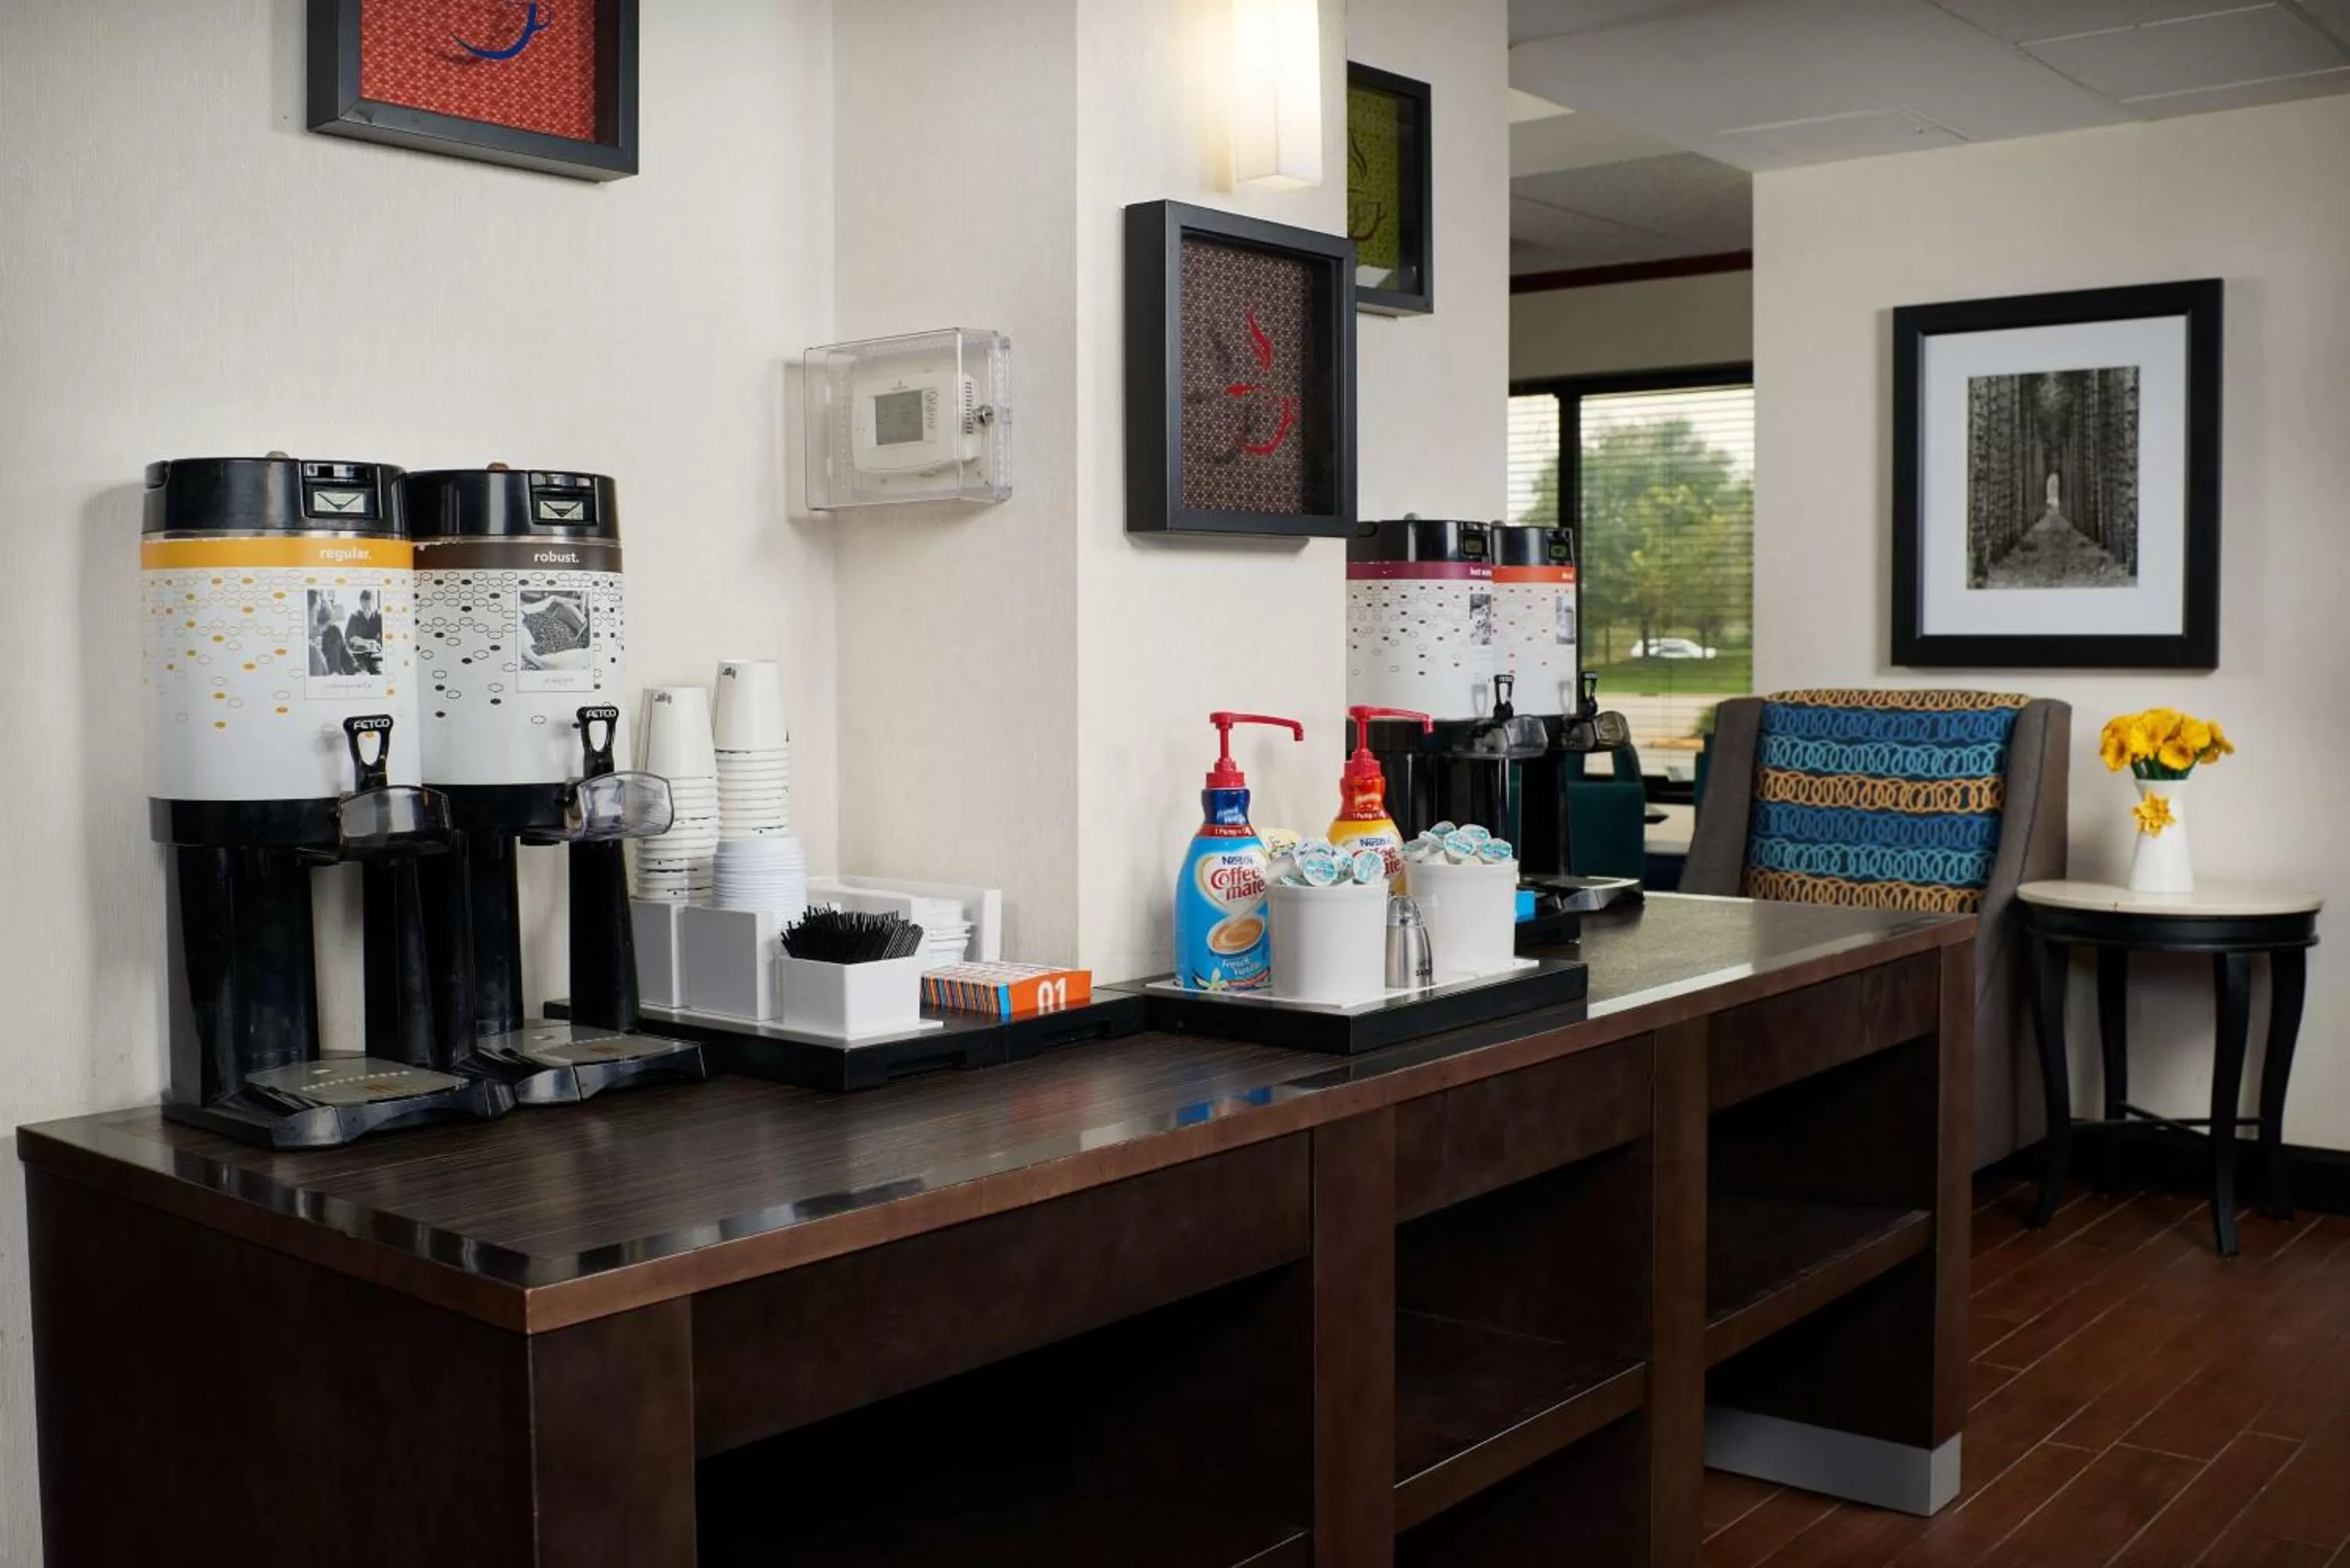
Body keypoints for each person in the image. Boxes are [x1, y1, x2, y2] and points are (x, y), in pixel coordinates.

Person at [310, 595, 353, 677]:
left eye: (327, 624)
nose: (323, 630)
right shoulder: (308, 641)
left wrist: (358, 671)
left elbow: (347, 658)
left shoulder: (335, 631)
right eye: (319, 626)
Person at [344, 590, 383, 675]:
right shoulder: (354, 617)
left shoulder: (378, 617)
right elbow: (348, 637)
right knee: (361, 674)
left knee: (378, 673)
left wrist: (378, 644)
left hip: (375, 655)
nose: (367, 609)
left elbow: (385, 638)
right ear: (361, 603)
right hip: (359, 655)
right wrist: (361, 642)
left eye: (369, 606)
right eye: (364, 605)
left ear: (373, 603)